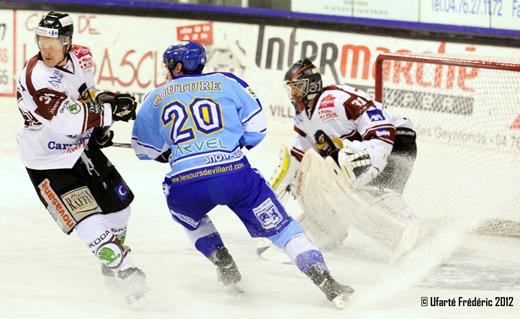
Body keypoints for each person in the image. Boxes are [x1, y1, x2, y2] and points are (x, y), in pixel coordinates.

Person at [131, 40, 353, 307]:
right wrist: (237, 142)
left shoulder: (156, 96)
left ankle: (222, 261)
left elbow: (143, 150)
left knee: (189, 217)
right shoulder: (227, 81)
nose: (167, 71)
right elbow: (257, 128)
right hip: (234, 176)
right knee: (283, 229)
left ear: (178, 67)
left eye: (168, 66)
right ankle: (326, 281)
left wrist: (167, 153)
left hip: (186, 183)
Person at [16, 11, 145, 303]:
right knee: (87, 217)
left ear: (68, 41)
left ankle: (110, 261)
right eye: (41, 41)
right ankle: (124, 268)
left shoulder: (83, 57)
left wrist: (100, 127)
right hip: (47, 162)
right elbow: (66, 121)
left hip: (81, 150)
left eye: (53, 42)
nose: (46, 49)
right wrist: (109, 115)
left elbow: (86, 99)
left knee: (120, 209)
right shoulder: (36, 77)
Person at [270, 58, 418, 251]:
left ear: (312, 85)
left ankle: (414, 231)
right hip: (370, 148)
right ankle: (331, 229)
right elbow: (300, 155)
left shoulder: (339, 99)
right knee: (337, 182)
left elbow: (382, 127)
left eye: (298, 86)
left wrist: (373, 161)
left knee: (374, 194)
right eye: (291, 88)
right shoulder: (302, 116)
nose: (293, 92)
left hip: (397, 139)